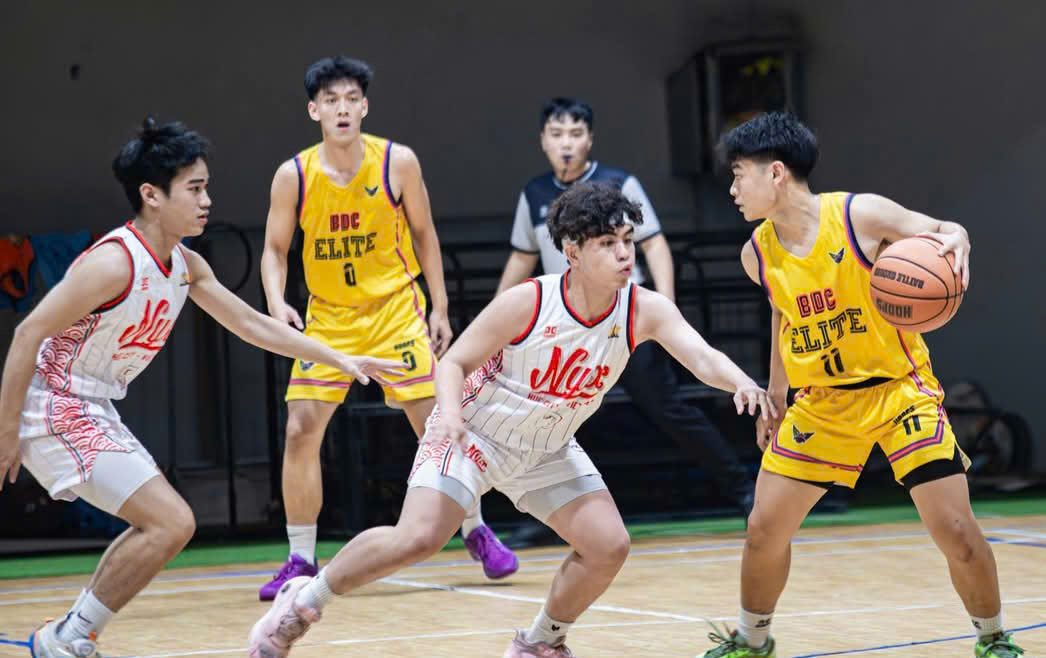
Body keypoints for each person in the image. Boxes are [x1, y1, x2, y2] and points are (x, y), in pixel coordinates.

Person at [248, 181, 775, 658]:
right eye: (608, 244)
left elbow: (703, 356)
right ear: (572, 252)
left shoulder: (642, 308)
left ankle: (539, 644)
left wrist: (744, 383)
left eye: (627, 242)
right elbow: (453, 362)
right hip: (474, 431)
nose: (623, 254)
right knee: (419, 538)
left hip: (546, 446)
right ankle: (303, 600)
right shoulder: (530, 301)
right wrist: (450, 415)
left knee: (608, 545)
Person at [0, 118, 405, 658]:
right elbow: (28, 332)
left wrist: (339, 356)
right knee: (170, 521)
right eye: (194, 189)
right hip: (55, 406)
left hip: (93, 408)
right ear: (151, 195)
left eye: (206, 187)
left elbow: (254, 325)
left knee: (164, 523)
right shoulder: (113, 262)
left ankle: (70, 634)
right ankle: (70, 635)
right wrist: (7, 432)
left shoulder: (186, 266)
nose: (207, 200)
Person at [696, 112, 1023, 658]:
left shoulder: (859, 215)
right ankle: (751, 641)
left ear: (775, 173)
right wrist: (776, 396)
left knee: (956, 531)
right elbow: (783, 316)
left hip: (899, 392)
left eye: (738, 175)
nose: (732, 190)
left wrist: (958, 235)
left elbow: (943, 230)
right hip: (820, 403)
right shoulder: (757, 254)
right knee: (763, 530)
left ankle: (993, 639)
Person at [258, 55, 516, 599]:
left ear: (365, 106)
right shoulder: (294, 174)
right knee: (301, 430)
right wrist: (276, 301)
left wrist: (440, 308)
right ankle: (300, 557)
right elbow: (275, 250)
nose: (343, 108)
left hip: (396, 310)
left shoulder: (397, 162)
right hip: (328, 318)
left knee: (439, 425)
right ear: (314, 110)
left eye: (352, 99)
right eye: (331, 100)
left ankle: (475, 529)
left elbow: (425, 236)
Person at [497, 98, 757, 540]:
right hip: (561, 328)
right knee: (549, 418)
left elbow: (654, 245)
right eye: (557, 134)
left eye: (576, 133)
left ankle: (744, 488)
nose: (566, 143)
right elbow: (521, 258)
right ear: (543, 141)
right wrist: (496, 322)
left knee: (667, 407)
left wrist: (663, 308)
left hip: (622, 323)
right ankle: (547, 513)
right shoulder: (534, 194)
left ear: (590, 139)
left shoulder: (619, 183)